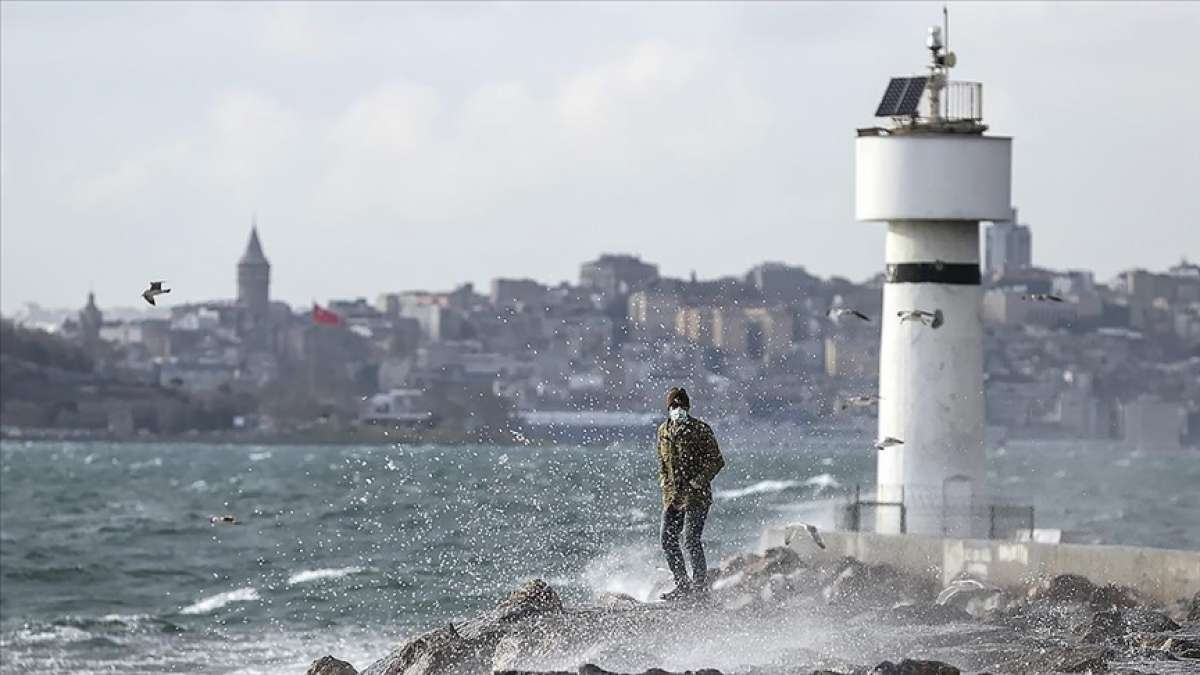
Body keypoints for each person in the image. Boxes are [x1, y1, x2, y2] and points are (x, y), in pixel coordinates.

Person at [656, 386, 725, 600]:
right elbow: (662, 461)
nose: (677, 409)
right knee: (667, 539)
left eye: (681, 405)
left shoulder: (700, 429)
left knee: (691, 540)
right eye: (674, 406)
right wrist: (664, 481)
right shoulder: (663, 431)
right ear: (669, 408)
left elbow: (717, 460)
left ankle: (700, 588)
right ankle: (682, 584)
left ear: (687, 407)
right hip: (672, 497)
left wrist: (698, 481)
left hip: (696, 495)